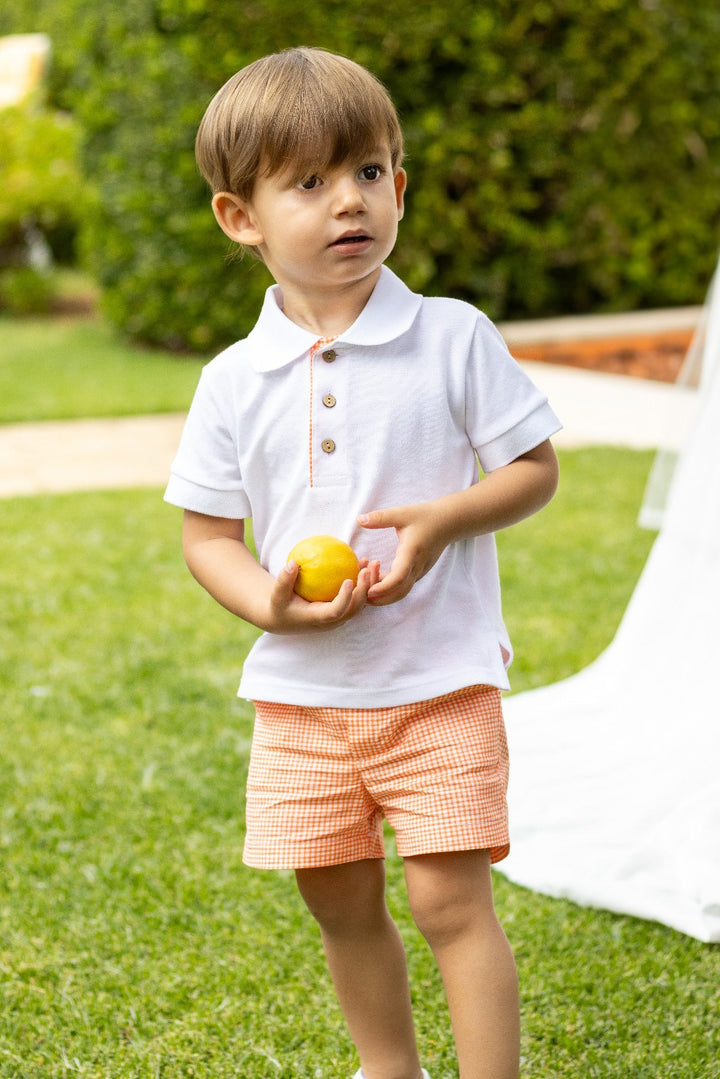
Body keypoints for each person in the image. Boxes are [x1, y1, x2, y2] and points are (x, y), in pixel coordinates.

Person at [165, 46, 560, 1079]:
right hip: (303, 697)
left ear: (401, 187)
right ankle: (389, 1065)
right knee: (338, 899)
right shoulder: (232, 378)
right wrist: (274, 607)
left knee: (446, 899)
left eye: (371, 172)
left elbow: (534, 469)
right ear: (239, 217)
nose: (351, 201)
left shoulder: (452, 337)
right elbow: (207, 534)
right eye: (310, 181)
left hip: (440, 682)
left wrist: (446, 520)